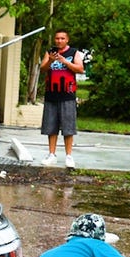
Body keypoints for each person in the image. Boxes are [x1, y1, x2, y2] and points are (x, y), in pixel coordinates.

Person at [39, 30, 85, 169]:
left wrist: (65, 61)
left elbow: (80, 68)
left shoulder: (74, 53)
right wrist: (51, 60)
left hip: (67, 94)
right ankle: (51, 154)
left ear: (67, 40)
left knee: (68, 127)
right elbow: (43, 68)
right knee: (51, 126)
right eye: (57, 38)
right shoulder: (50, 52)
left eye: (62, 38)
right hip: (51, 94)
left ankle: (69, 156)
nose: (59, 41)